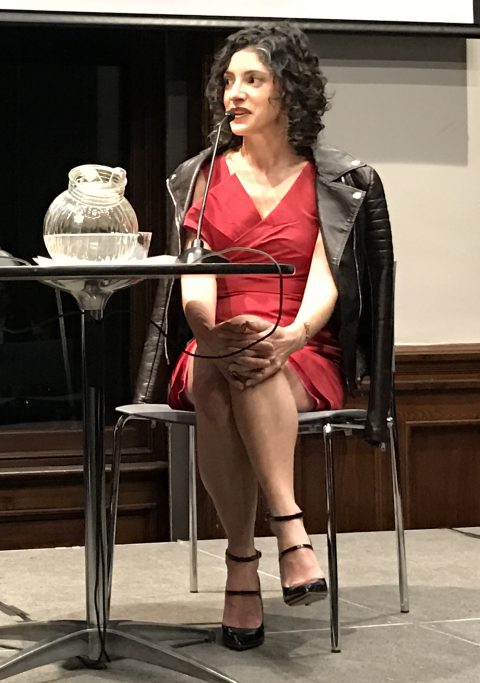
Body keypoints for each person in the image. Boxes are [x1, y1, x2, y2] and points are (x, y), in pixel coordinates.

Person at [135, 23, 394, 651]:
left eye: (253, 80)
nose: (234, 95)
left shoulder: (334, 181)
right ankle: (290, 531)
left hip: (303, 344)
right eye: (228, 81)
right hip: (214, 339)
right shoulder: (200, 176)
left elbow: (327, 285)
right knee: (222, 363)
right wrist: (215, 334)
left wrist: (288, 335)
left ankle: (241, 567)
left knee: (245, 368)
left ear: (290, 93)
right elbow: (195, 288)